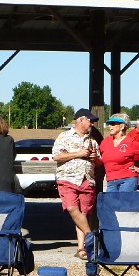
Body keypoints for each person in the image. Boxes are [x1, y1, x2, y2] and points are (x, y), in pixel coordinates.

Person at [52, 108, 101, 260]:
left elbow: (100, 162)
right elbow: (56, 156)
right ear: (81, 120)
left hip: (87, 179)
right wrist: (78, 154)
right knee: (72, 209)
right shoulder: (64, 136)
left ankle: (81, 248)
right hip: (68, 178)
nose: (92, 124)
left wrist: (95, 158)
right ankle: (91, 237)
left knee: (84, 214)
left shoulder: (92, 141)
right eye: (90, 121)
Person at [100, 113, 139, 192]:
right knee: (111, 200)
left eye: (113, 124)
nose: (110, 126)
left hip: (127, 180)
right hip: (111, 181)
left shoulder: (130, 142)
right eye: (109, 124)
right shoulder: (105, 141)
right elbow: (99, 156)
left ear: (122, 126)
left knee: (124, 200)